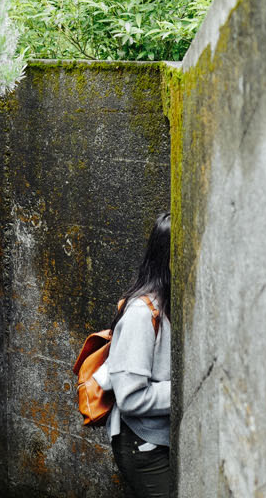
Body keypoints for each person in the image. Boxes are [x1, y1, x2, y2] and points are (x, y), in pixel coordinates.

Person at [106, 212, 173, 498]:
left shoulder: (170, 305)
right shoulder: (141, 315)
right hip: (142, 445)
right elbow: (130, 397)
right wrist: (182, 392)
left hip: (158, 441)